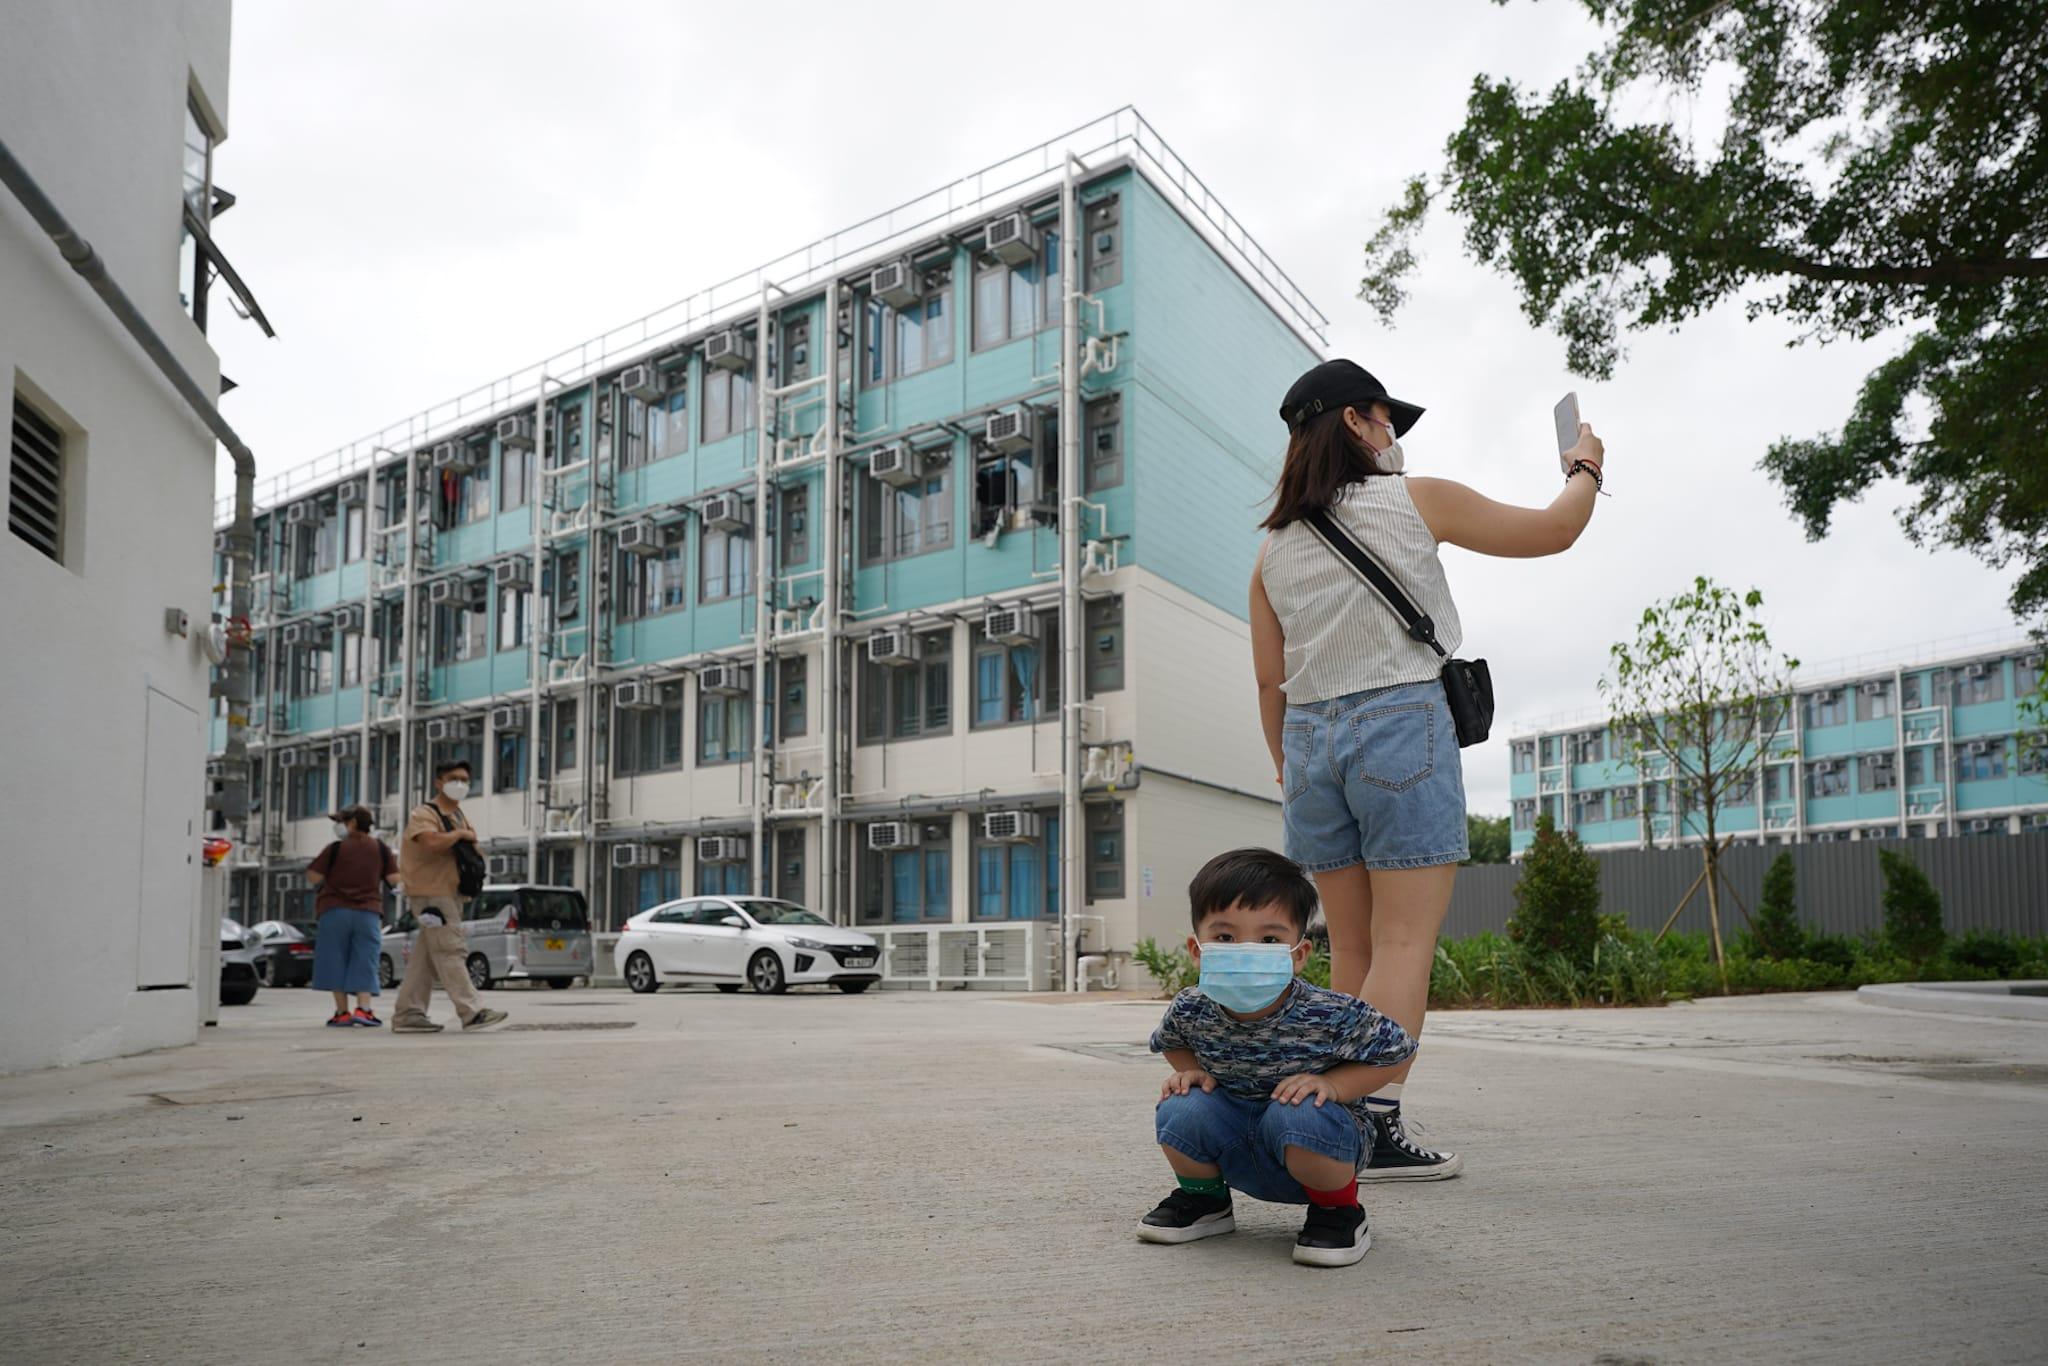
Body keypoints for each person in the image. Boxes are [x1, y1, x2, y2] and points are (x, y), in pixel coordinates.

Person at [1250, 360, 1605, 1179]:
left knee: (1353, 949)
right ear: (1354, 422)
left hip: (1307, 743)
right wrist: (1585, 467)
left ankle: (1327, 1114)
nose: (1394, 436)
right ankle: (1368, 1126)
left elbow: (1269, 681)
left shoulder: (1271, 552)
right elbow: (1555, 531)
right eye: (1386, 419)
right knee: (1405, 943)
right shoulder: (1415, 499)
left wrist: (1285, 767)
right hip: (1400, 724)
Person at [1139, 848, 1417, 1269]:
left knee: (1299, 1113)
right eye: (1225, 938)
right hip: (1236, 1133)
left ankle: (1338, 1211)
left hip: (1316, 1139)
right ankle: (1206, 1201)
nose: (1246, 950)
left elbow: (1397, 1053)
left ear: (1299, 954)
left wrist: (1336, 1086)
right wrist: (1191, 1071)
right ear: (1197, 950)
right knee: (1179, 1107)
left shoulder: (1330, 1012)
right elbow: (1171, 1042)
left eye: (1269, 940)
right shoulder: (1191, 1007)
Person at [391, 760, 508, 1034]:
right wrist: (461, 835)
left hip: (449, 893)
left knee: (427, 958)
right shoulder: (424, 813)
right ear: (439, 783)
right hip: (432, 894)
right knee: (451, 950)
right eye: (454, 778)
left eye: (465, 780)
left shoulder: (457, 815)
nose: (460, 784)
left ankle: (408, 1014)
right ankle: (472, 1011)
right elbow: (430, 842)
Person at [305, 804, 403, 1027]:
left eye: (341, 822)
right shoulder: (380, 848)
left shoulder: (335, 849)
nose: (338, 827)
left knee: (335, 958)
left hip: (334, 911)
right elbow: (394, 879)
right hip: (368, 913)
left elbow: (313, 875)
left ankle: (342, 1012)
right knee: (366, 959)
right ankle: (364, 1009)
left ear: (353, 823)